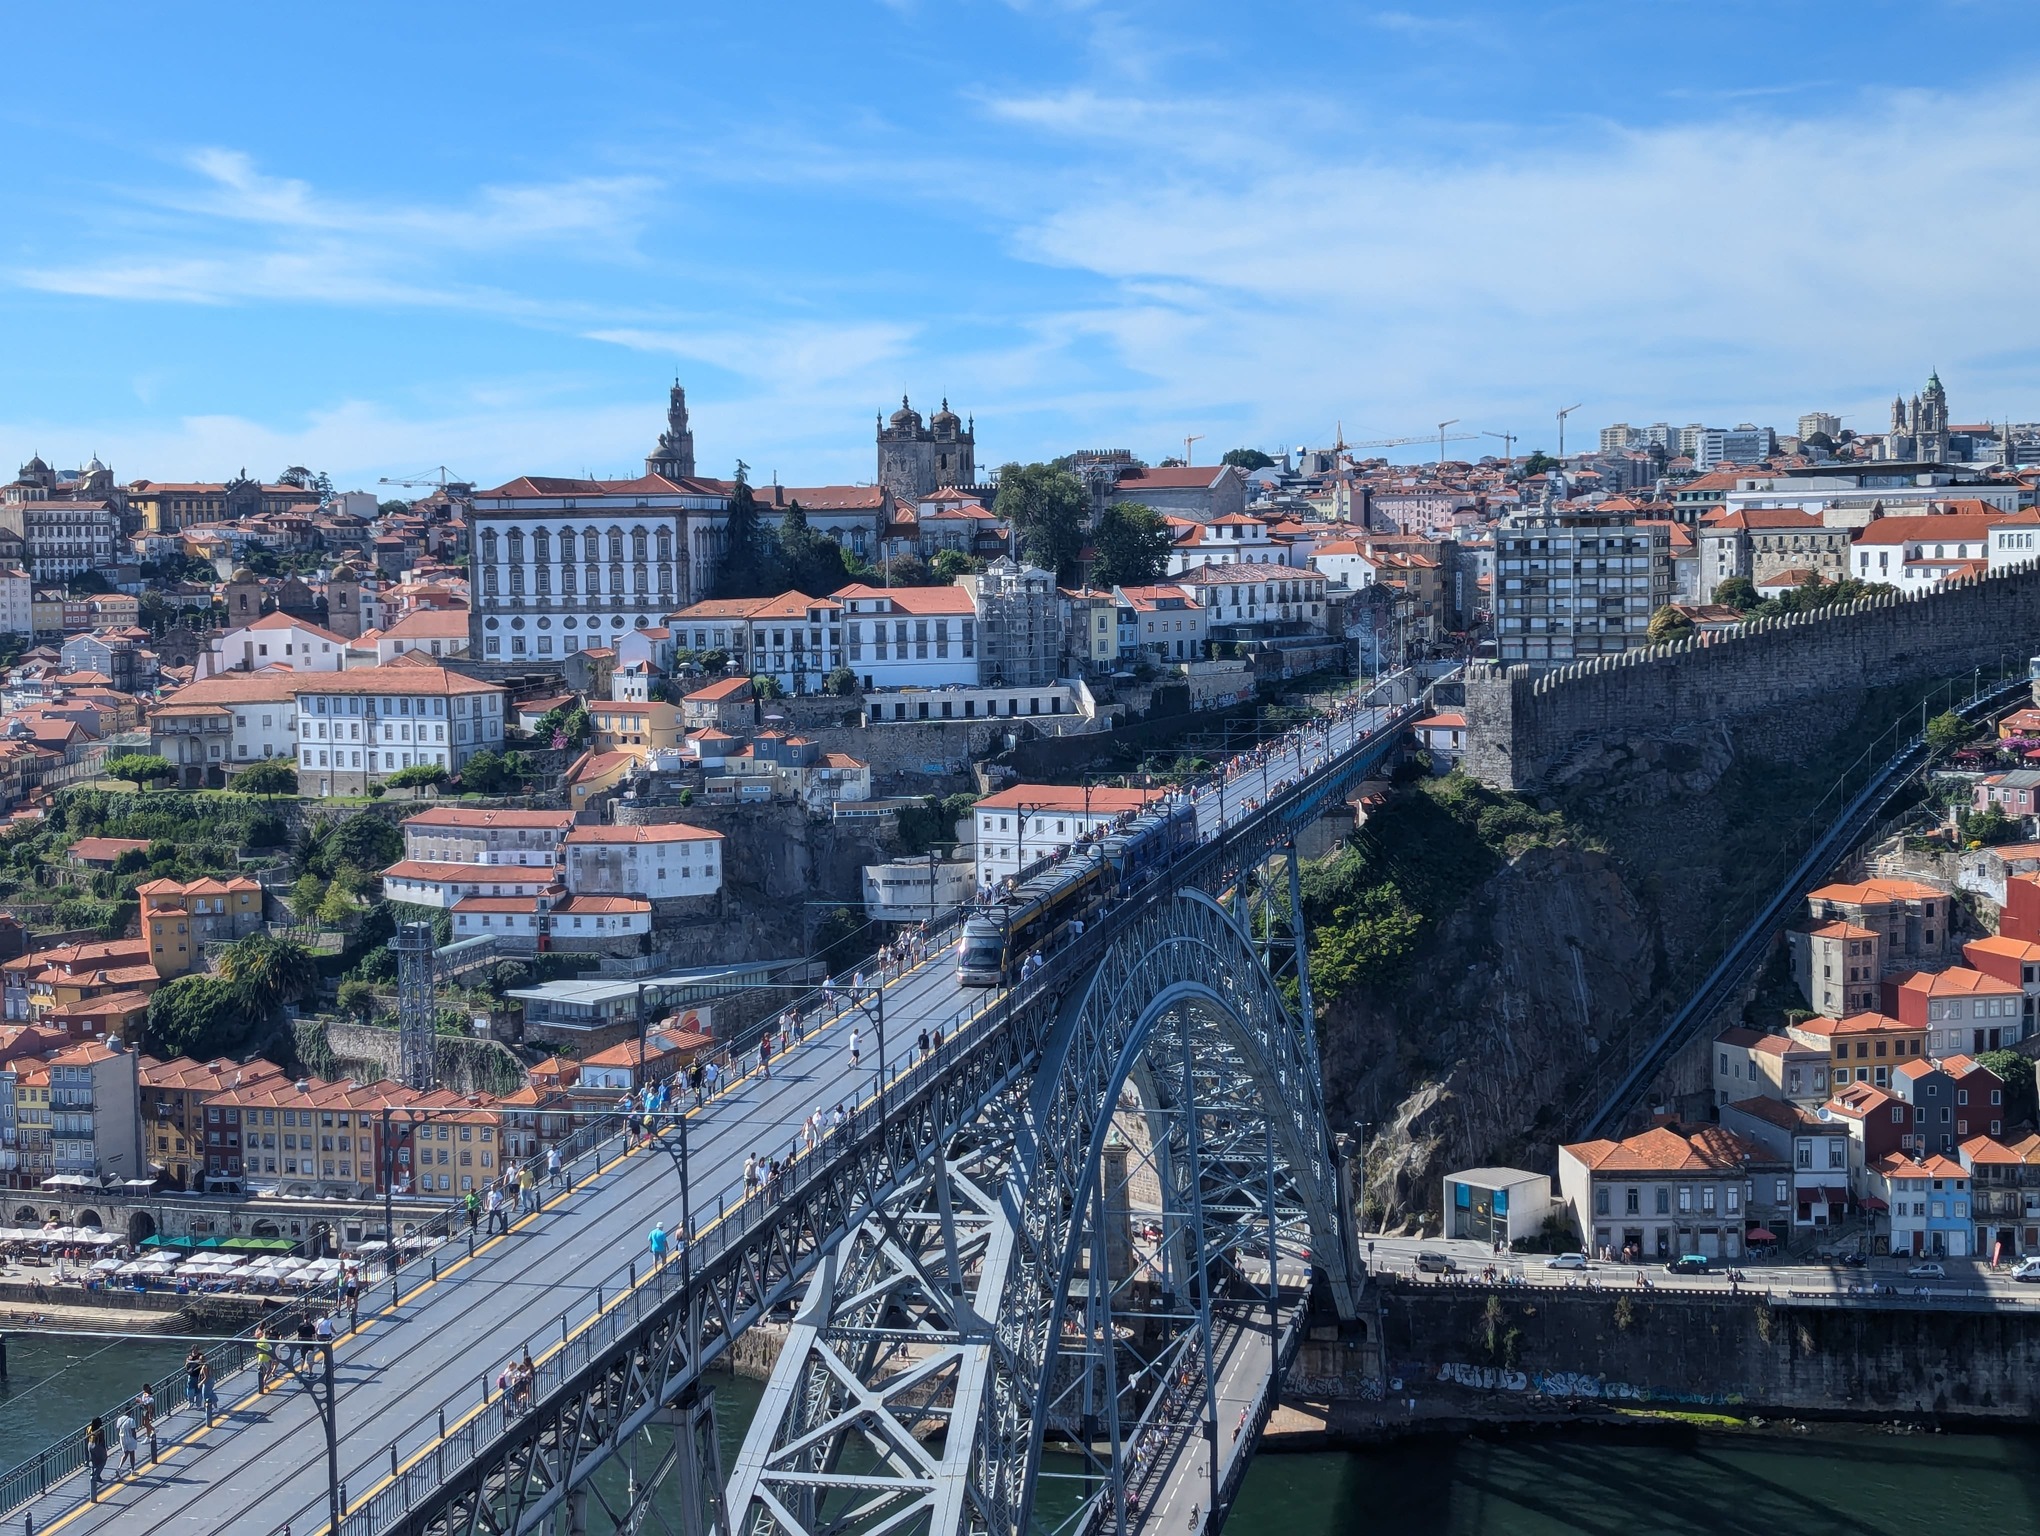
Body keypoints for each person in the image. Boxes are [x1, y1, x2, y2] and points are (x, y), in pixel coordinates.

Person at [86, 1416, 106, 1497]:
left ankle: (92, 1473)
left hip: (89, 1444)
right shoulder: (100, 1431)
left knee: (93, 1460)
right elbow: (102, 1441)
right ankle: (96, 1475)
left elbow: (87, 1437)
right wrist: (104, 1450)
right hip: (96, 1445)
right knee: (103, 1460)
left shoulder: (89, 1428)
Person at [116, 1407, 139, 1475]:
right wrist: (135, 1439)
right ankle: (132, 1470)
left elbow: (117, 1428)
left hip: (122, 1438)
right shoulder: (131, 1420)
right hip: (130, 1438)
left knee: (125, 1453)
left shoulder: (119, 1419)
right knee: (132, 1454)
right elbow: (133, 1431)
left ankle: (119, 1467)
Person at [138, 1382, 157, 1461]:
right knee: (145, 1423)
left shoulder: (150, 1397)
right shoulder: (145, 1395)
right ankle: (150, 1432)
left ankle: (150, 1433)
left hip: (147, 1411)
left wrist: (140, 1401)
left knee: (146, 1423)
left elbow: (150, 1405)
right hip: (144, 1410)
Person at [185, 1344, 206, 1408]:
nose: (195, 1351)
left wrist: (191, 1361)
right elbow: (186, 1363)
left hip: (198, 1375)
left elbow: (200, 1361)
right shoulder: (189, 1356)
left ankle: (198, 1405)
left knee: (198, 1391)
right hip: (191, 1375)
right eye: (194, 1350)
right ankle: (191, 1402)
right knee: (190, 1390)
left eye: (196, 1350)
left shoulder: (200, 1355)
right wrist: (188, 1364)